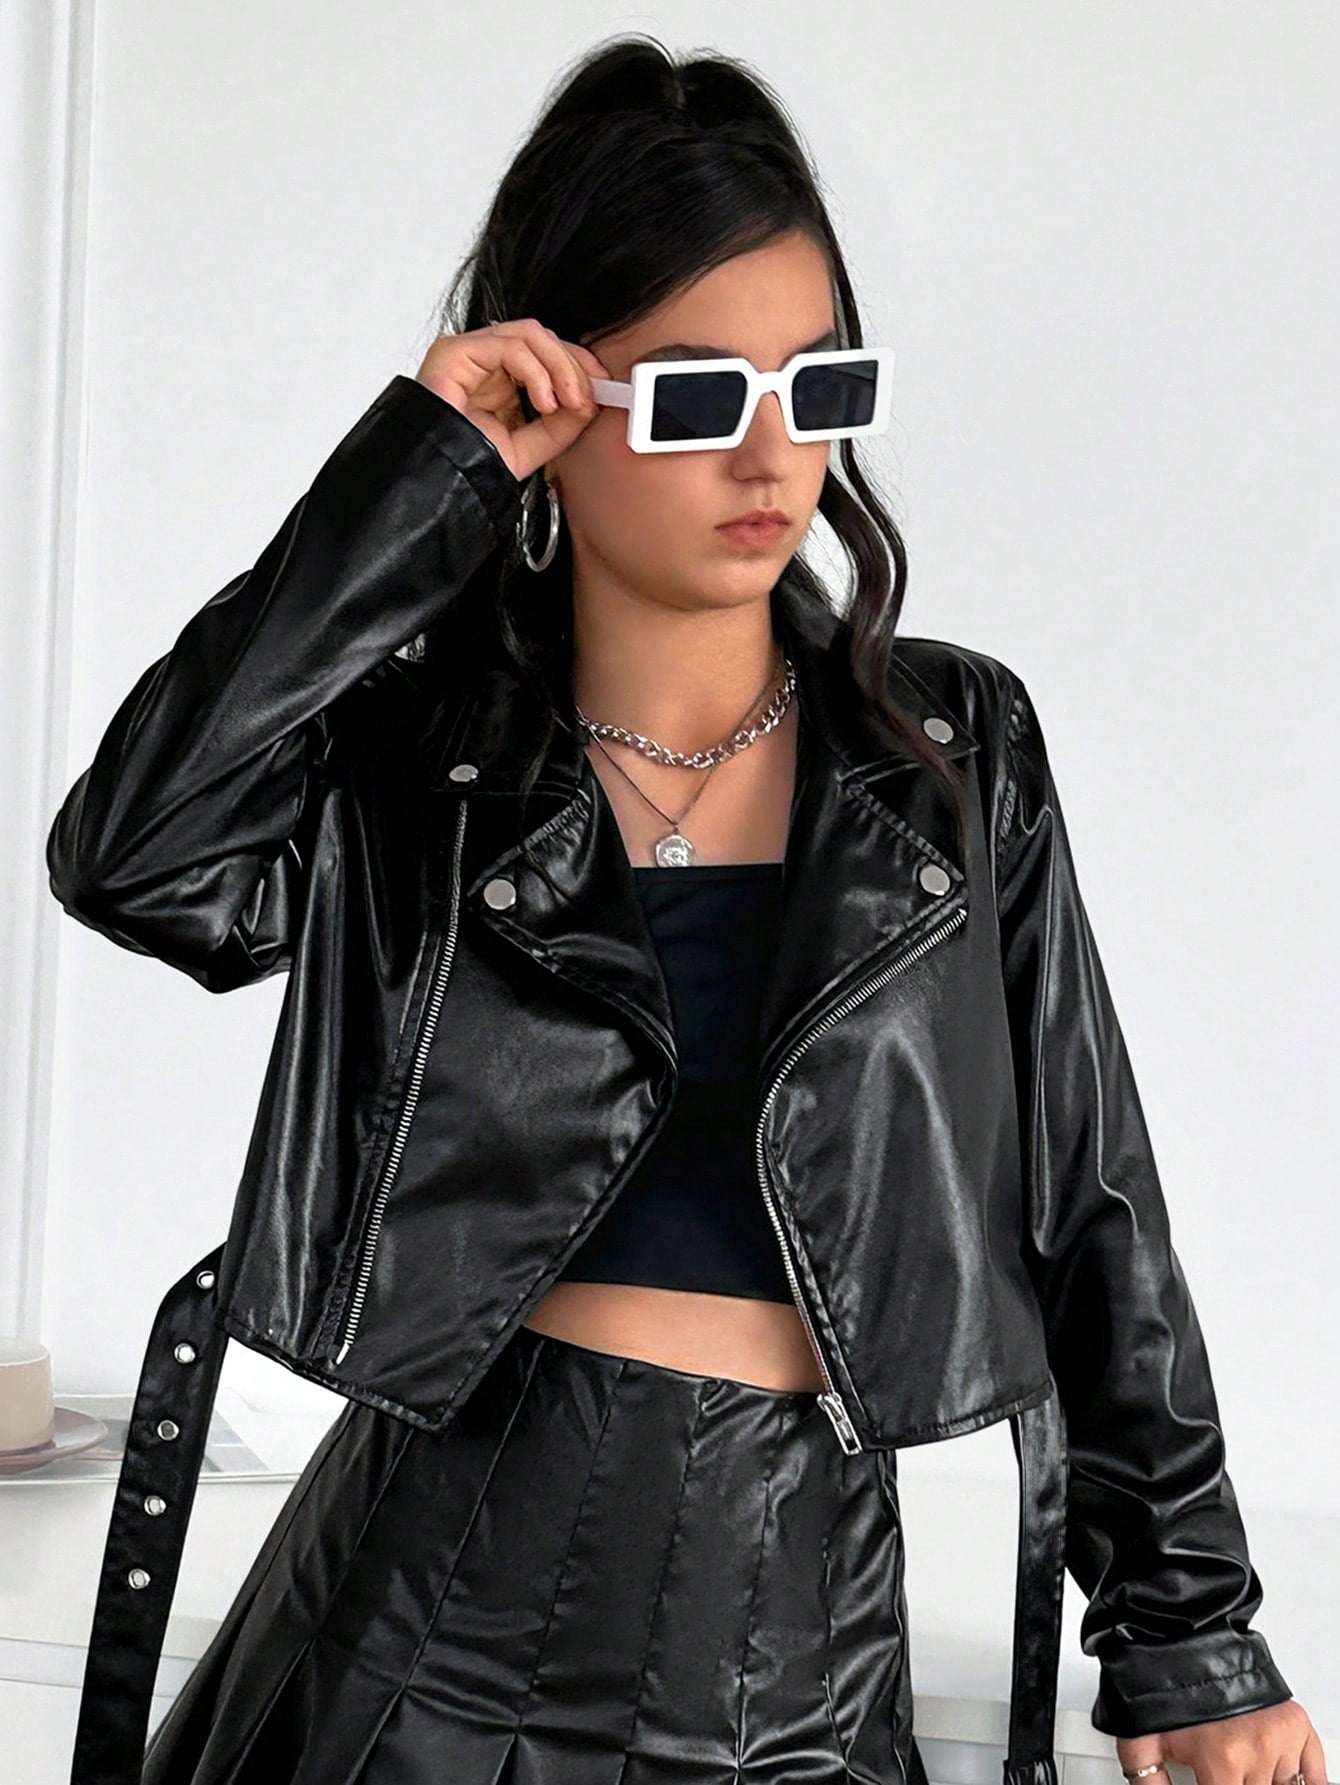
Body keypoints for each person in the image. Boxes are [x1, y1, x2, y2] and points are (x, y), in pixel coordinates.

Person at [46, 33, 1323, 1785]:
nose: (774, 455)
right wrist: (417, 472)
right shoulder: (424, 755)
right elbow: (137, 855)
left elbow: (1091, 1200)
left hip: (802, 1637)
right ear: (553, 410)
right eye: (700, 397)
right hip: (415, 1637)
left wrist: (1190, 1633)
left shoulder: (951, 752)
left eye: (819, 382)